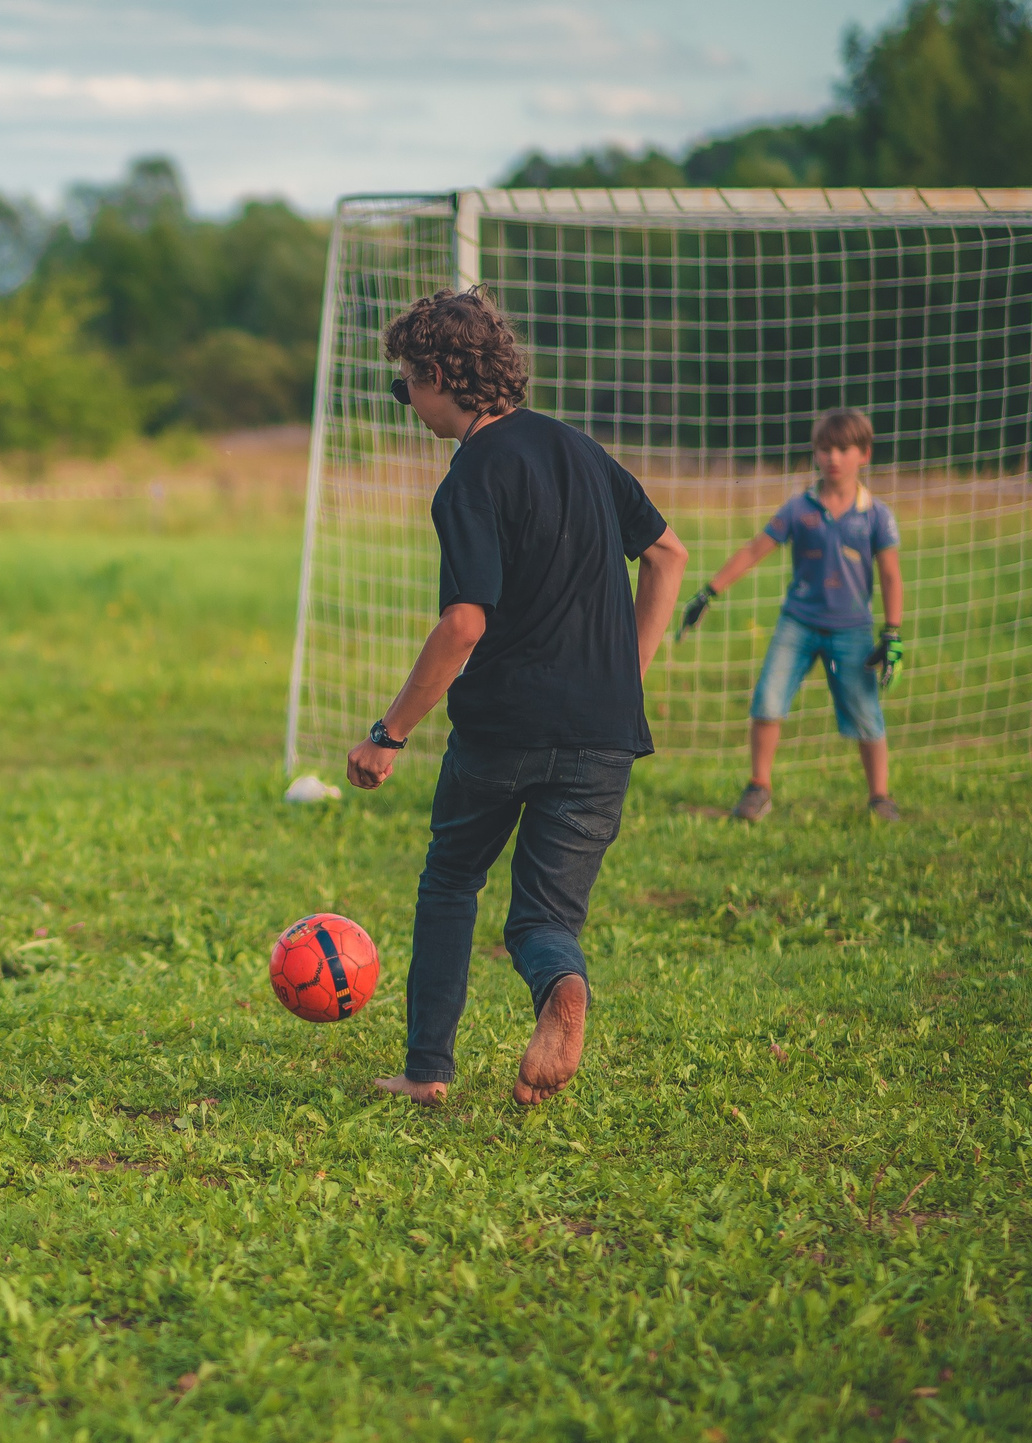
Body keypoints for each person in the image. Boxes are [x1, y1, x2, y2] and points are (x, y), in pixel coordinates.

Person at [346, 286, 689, 1108]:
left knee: (452, 879)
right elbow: (669, 554)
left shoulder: (471, 477)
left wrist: (388, 733)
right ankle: (560, 988)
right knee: (541, 922)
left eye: (407, 386)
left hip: (505, 728)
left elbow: (465, 623)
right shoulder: (579, 449)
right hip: (605, 733)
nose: (408, 403)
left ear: (436, 374)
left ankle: (426, 1071)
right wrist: (626, 672)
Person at [677, 407, 905, 823]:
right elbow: (753, 549)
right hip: (797, 623)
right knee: (767, 700)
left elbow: (890, 575)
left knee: (867, 714)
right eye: (825, 448)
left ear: (864, 454)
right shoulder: (799, 509)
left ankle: (880, 797)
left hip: (851, 630)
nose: (833, 457)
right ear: (815, 453)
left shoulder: (877, 516)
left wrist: (893, 632)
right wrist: (709, 592)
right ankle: (759, 788)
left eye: (843, 448)